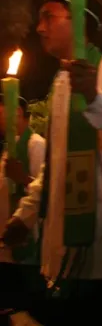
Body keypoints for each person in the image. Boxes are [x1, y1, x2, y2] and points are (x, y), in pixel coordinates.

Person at [2, 0, 102, 325]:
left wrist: (96, 97)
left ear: (79, 22)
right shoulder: (60, 84)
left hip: (99, 236)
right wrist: (24, 216)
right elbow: (57, 167)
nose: (40, 28)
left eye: (48, 17)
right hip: (65, 237)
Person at [0, 96, 48, 324]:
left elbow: (44, 189)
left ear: (17, 112)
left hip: (26, 243)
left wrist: (22, 179)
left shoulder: (35, 144)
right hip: (6, 244)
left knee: (38, 304)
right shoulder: (10, 148)